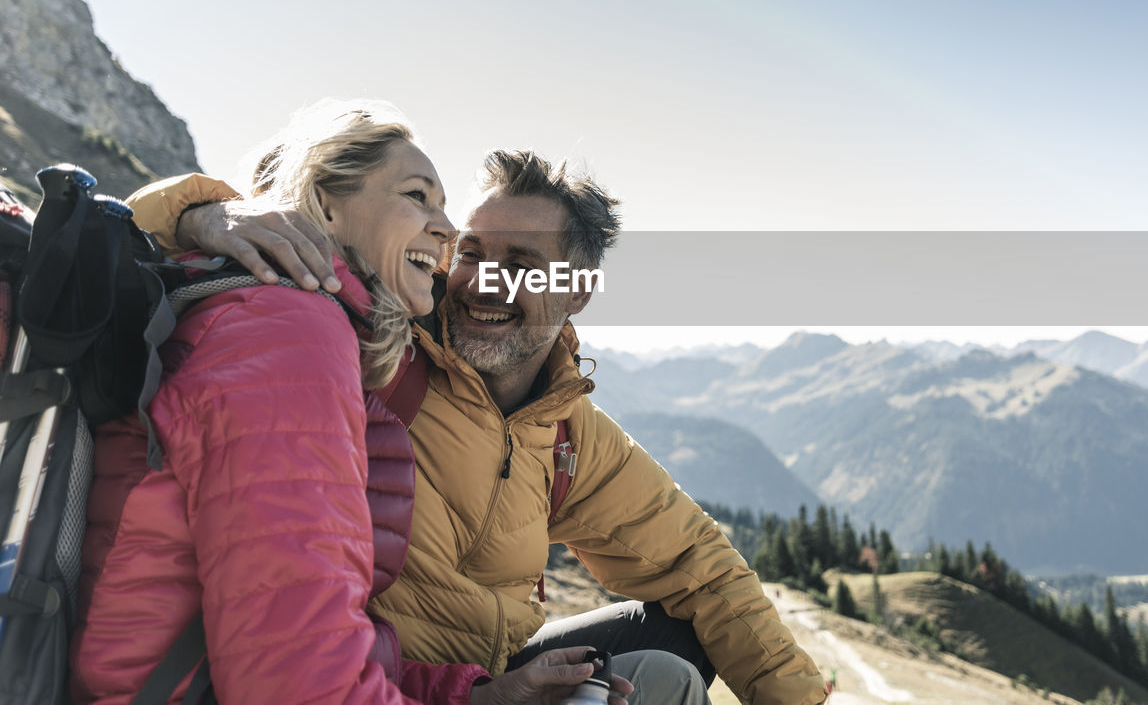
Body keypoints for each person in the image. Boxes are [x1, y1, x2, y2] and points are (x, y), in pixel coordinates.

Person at [129, 148, 827, 704]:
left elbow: (700, 565)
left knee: (672, 638)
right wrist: (204, 215)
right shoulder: (376, 343)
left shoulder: (565, 431)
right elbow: (161, 233)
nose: (482, 283)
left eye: (522, 265)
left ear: (576, 290)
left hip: (490, 679)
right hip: (369, 680)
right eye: (472, 253)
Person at [72, 102, 635, 705]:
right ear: (326, 203)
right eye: (418, 196)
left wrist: (483, 697)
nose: (447, 233)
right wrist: (202, 213)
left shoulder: (292, 322)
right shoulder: (291, 335)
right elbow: (299, 685)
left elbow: (310, 649)